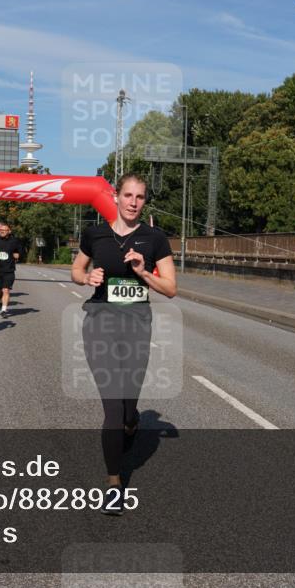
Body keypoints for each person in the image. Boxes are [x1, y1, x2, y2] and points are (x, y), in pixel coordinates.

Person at [70, 173, 177, 516]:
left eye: (140, 197)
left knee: (129, 408)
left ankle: (133, 423)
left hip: (136, 327)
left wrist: (144, 273)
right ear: (115, 197)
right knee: (113, 409)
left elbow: (171, 288)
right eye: (127, 195)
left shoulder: (154, 238)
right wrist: (87, 278)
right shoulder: (95, 234)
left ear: (145, 201)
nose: (133, 202)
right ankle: (114, 483)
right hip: (99, 323)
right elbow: (76, 270)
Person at [0, 221, 22, 318]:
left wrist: (18, 255)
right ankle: (0, 301)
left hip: (9, 270)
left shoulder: (14, 241)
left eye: (4, 230)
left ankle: (4, 310)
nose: (2, 231)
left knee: (6, 290)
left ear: (9, 231)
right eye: (1, 230)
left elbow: (20, 251)